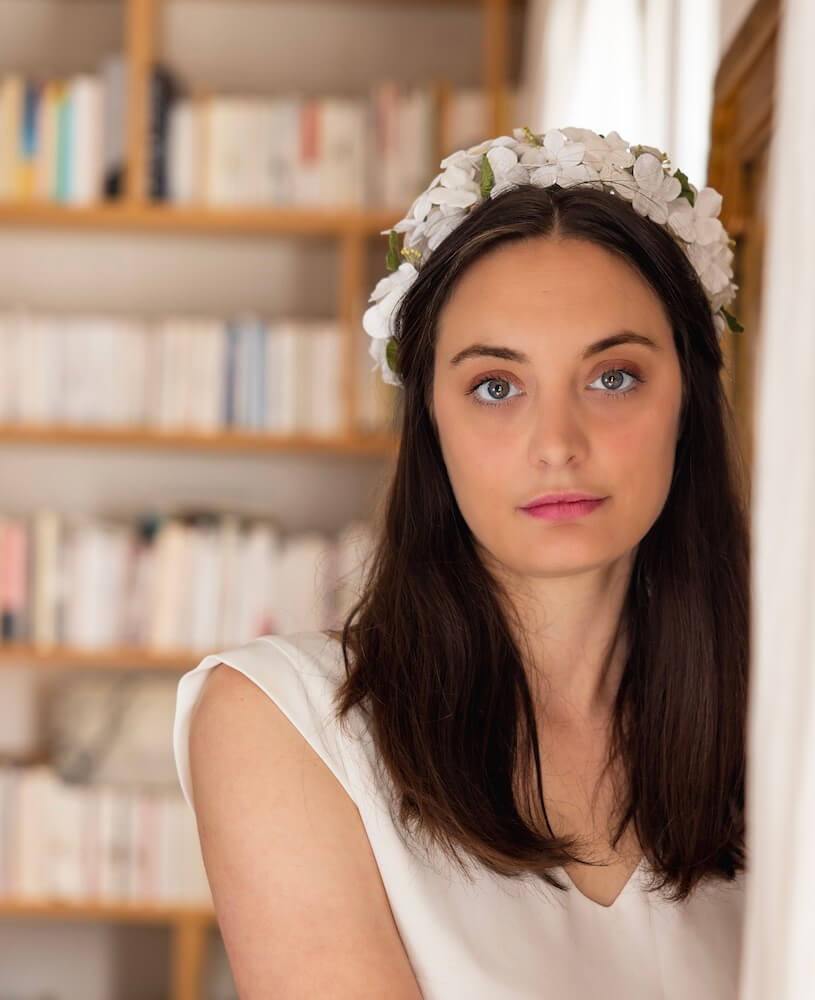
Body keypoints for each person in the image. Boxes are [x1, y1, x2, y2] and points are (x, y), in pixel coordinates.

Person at [173, 127, 750, 999]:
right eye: (495, 386)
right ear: (432, 424)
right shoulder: (288, 721)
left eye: (613, 377)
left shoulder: (788, 735)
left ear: (688, 403)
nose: (557, 444)